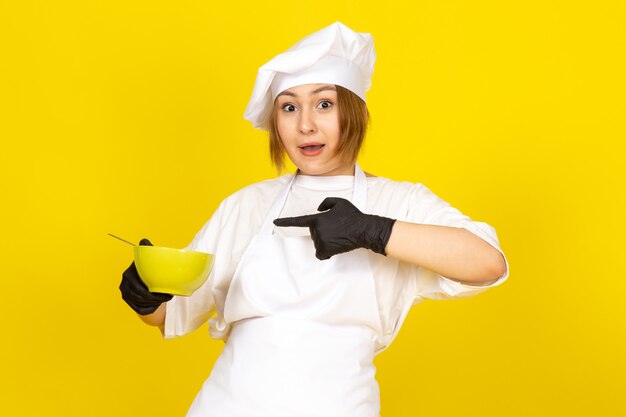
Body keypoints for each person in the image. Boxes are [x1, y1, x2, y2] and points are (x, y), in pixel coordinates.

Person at [119, 21, 509, 417]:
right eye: (289, 107)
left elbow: (487, 263)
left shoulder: (398, 201)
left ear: (354, 111)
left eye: (324, 103)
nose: (305, 124)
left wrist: (373, 230)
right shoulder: (247, 205)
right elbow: (174, 313)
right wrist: (146, 297)